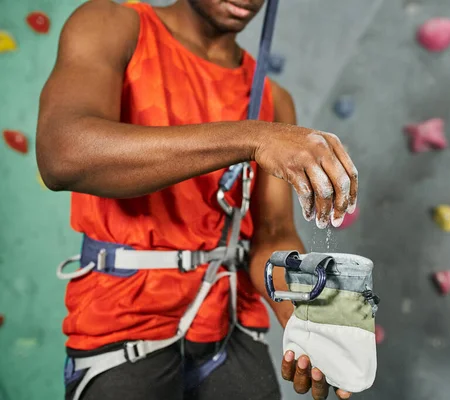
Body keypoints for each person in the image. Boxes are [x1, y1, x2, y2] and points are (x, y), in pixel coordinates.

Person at [36, 0, 358, 399]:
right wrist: (252, 138)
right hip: (122, 325)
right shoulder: (112, 25)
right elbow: (61, 155)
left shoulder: (273, 100)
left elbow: (273, 236)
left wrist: (307, 319)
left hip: (231, 327)